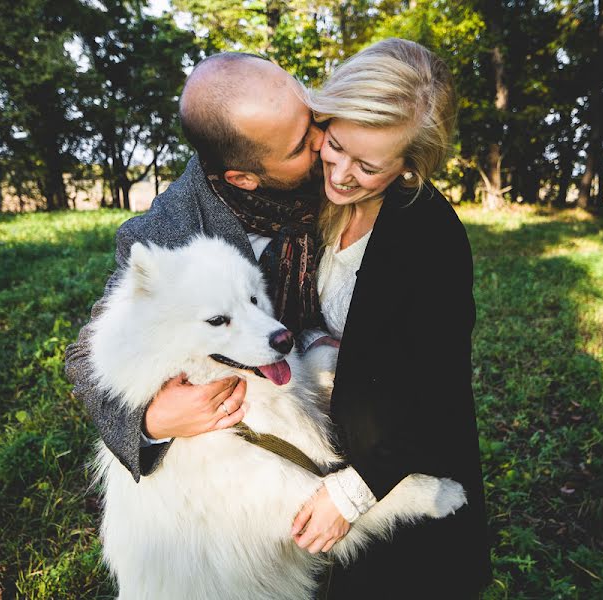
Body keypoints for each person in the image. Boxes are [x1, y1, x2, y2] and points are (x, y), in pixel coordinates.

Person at [288, 38, 492, 598]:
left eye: (369, 166)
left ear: (409, 168)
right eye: (337, 144)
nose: (343, 173)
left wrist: (351, 494)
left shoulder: (431, 239)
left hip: (391, 464)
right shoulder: (299, 182)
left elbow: (435, 396)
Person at [64, 52, 326, 482]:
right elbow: (83, 354)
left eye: (310, 110)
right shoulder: (167, 232)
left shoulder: (342, 152)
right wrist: (149, 421)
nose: (322, 138)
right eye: (300, 145)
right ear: (242, 178)